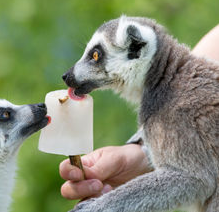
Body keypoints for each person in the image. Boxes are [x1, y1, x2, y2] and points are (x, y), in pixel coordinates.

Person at [59, 24, 219, 201]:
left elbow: (192, 178)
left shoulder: (180, 102)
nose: (71, 73)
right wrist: (143, 153)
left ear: (135, 49)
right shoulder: (185, 95)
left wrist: (106, 205)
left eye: (96, 56)